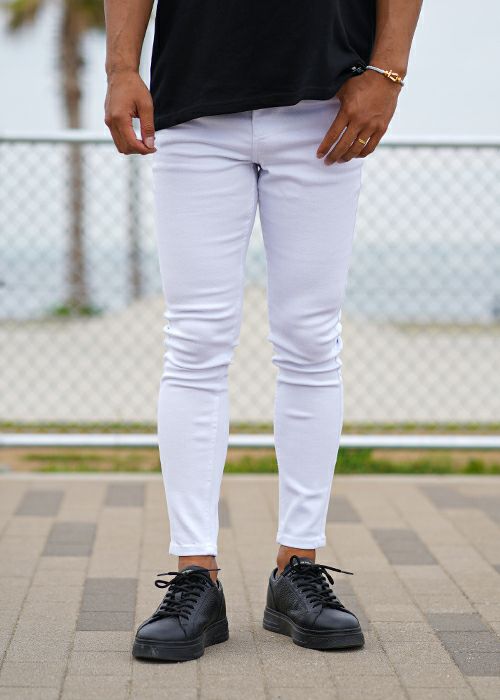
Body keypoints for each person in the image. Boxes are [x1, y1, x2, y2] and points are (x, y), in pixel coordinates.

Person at [104, 0, 422, 662]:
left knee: (310, 340)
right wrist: (120, 69)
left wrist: (388, 72)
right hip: (194, 102)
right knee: (195, 343)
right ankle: (196, 574)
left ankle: (296, 567)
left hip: (325, 104)